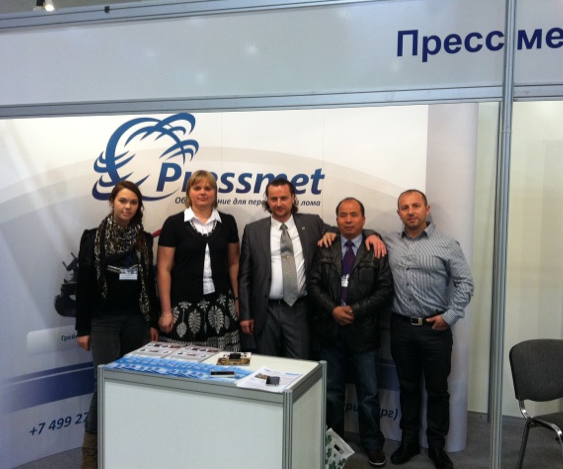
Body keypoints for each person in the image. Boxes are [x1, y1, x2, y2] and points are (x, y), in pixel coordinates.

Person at [239, 178, 385, 359]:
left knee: (300, 365)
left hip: (299, 310)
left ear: (293, 198)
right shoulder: (253, 230)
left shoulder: (311, 223)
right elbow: (245, 276)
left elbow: (345, 229)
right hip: (266, 311)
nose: (279, 203)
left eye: (284, 198)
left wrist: (371, 234)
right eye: (273, 199)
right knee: (267, 365)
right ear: (267, 200)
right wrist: (246, 314)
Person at [386, 189, 474, 469]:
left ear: (427, 209)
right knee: (408, 388)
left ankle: (436, 446)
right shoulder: (389, 241)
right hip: (401, 328)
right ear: (399, 212)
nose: (410, 211)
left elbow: (465, 283)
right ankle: (409, 442)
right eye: (404, 207)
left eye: (416, 206)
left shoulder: (446, 243)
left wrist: (450, 316)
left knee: (437, 391)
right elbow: (358, 237)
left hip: (435, 330)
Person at [75, 180, 159, 469]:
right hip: (104, 322)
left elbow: (149, 282)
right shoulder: (93, 238)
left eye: (133, 202)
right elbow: (84, 285)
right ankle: (90, 457)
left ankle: (125, 450)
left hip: (136, 320)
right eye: (123, 201)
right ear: (112, 202)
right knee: (104, 385)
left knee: (131, 383)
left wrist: (152, 321)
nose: (128, 207)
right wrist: (82, 328)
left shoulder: (144, 239)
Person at [307, 197, 393, 468]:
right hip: (330, 331)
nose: (348, 219)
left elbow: (385, 289)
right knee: (332, 393)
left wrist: (356, 311)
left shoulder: (375, 248)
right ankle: (333, 445)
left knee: (368, 394)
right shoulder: (325, 246)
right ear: (336, 219)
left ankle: (373, 444)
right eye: (342, 215)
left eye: (353, 214)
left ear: (363, 219)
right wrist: (333, 309)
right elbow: (313, 284)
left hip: (363, 332)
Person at [157, 170, 241, 351]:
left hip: (220, 306)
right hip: (183, 306)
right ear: (189, 192)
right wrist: (165, 311)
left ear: (215, 193)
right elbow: (164, 269)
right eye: (197, 188)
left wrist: (237, 298)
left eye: (208, 188)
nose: (203, 192)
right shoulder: (174, 224)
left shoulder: (227, 222)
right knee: (182, 362)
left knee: (220, 362)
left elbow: (234, 263)